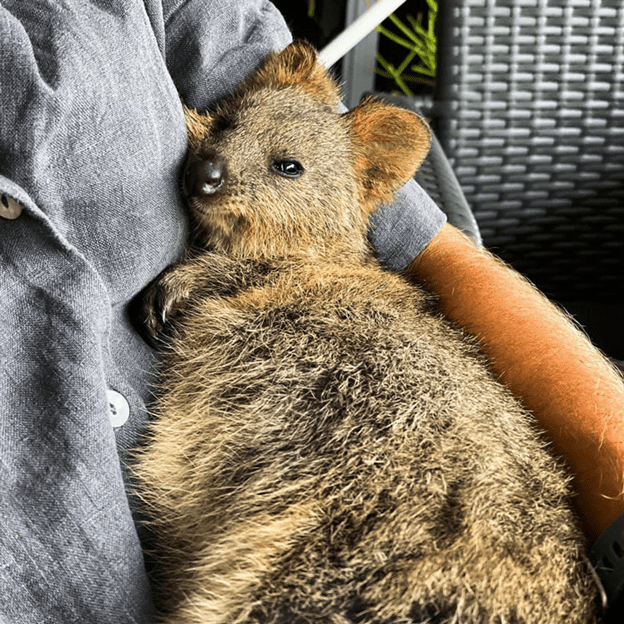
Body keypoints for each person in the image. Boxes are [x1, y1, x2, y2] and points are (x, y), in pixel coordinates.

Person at [0, 1, 622, 622]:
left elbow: (402, 239)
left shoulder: (329, 246)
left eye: (286, 169)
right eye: (221, 130)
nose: (215, 160)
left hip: (395, 532)